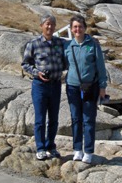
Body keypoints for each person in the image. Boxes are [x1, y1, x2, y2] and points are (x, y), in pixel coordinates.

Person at [21, 15, 66, 161]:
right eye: (47, 24)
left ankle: (50, 146)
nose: (50, 27)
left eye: (52, 24)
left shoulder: (60, 43)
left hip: (56, 85)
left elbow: (67, 60)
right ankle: (40, 148)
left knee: (54, 119)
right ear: (41, 26)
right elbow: (25, 64)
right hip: (40, 85)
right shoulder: (33, 44)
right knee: (40, 119)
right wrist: (37, 73)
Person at [65, 15, 108, 164]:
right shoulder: (68, 46)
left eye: (80, 26)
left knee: (89, 119)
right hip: (72, 87)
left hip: (91, 87)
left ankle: (88, 151)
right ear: (71, 29)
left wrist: (103, 86)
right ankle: (77, 149)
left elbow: (101, 66)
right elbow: (63, 64)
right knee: (76, 118)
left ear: (85, 28)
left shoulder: (93, 44)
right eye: (75, 27)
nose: (78, 29)